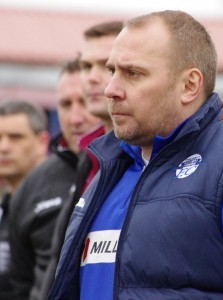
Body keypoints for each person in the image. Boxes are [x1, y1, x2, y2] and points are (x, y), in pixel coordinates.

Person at [49, 10, 223, 299]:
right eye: (113, 71)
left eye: (133, 73)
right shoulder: (107, 174)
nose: (110, 90)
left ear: (189, 86)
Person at [39, 21, 123, 299]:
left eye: (107, 65)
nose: (92, 78)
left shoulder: (150, 157)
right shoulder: (89, 157)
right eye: (87, 66)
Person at [8, 58, 100, 300]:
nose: (75, 118)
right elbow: (19, 283)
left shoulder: (128, 170)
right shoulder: (36, 183)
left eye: (85, 101)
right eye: (65, 104)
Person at [0, 100, 49, 300]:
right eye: (0, 137)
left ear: (42, 142)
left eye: (16, 137)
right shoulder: (7, 204)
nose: (4, 147)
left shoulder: (51, 205)